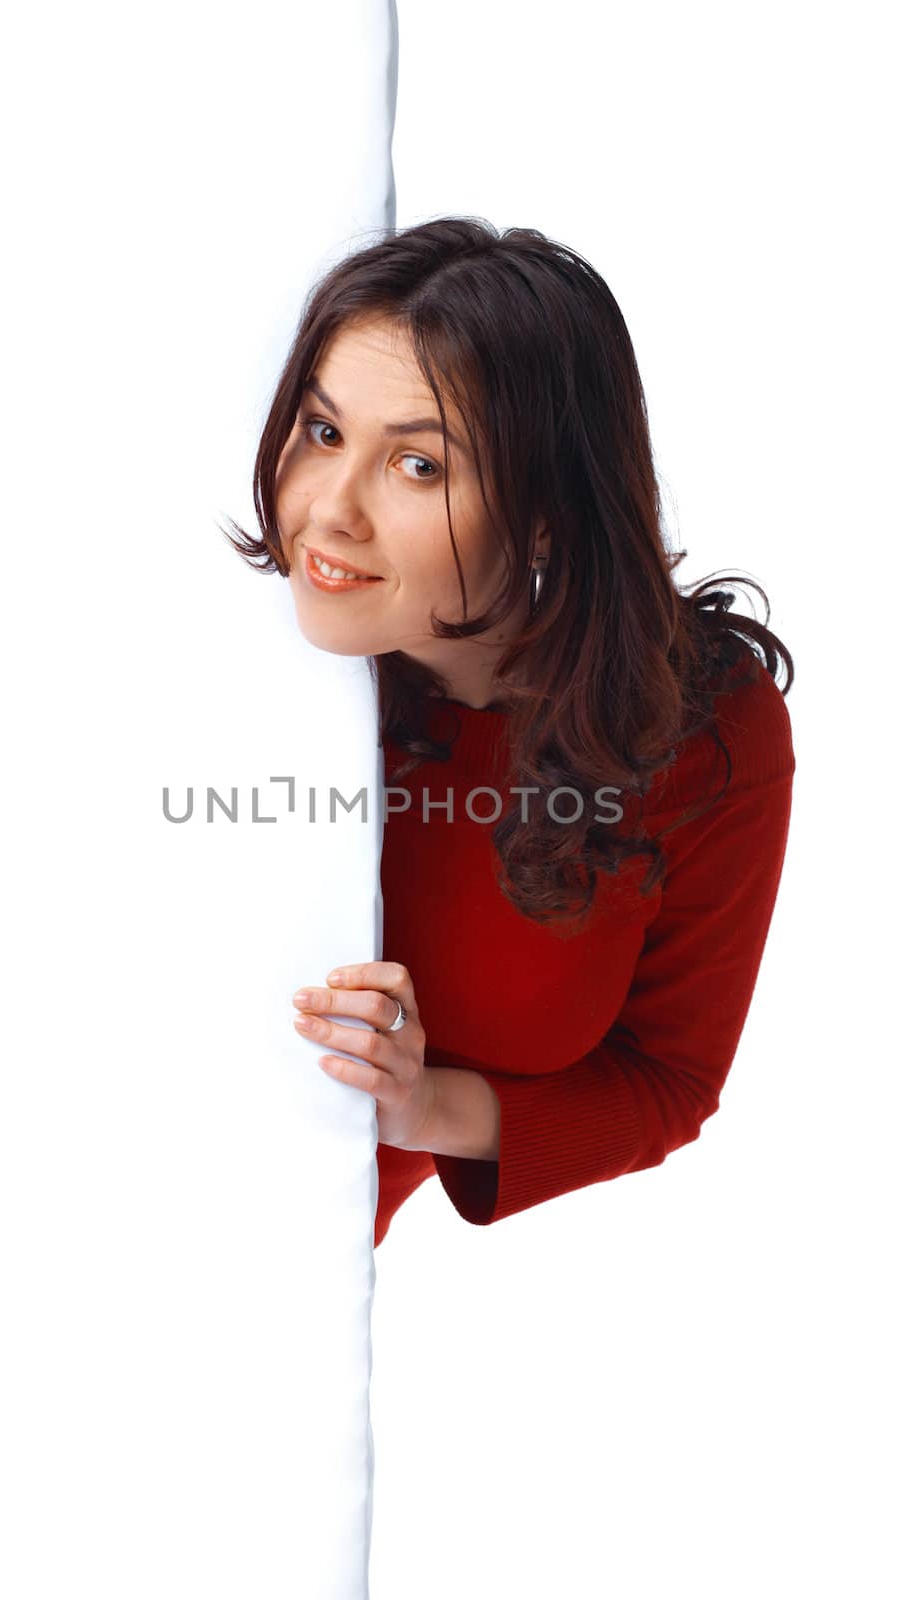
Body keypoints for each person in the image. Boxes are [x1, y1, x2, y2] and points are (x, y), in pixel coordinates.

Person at [220, 217, 796, 1249]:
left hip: (294, 1258)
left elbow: (665, 1080)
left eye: (419, 468)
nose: (327, 513)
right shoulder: (251, 668)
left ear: (544, 518)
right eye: (321, 432)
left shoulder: (704, 732)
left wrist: (419, 1102)